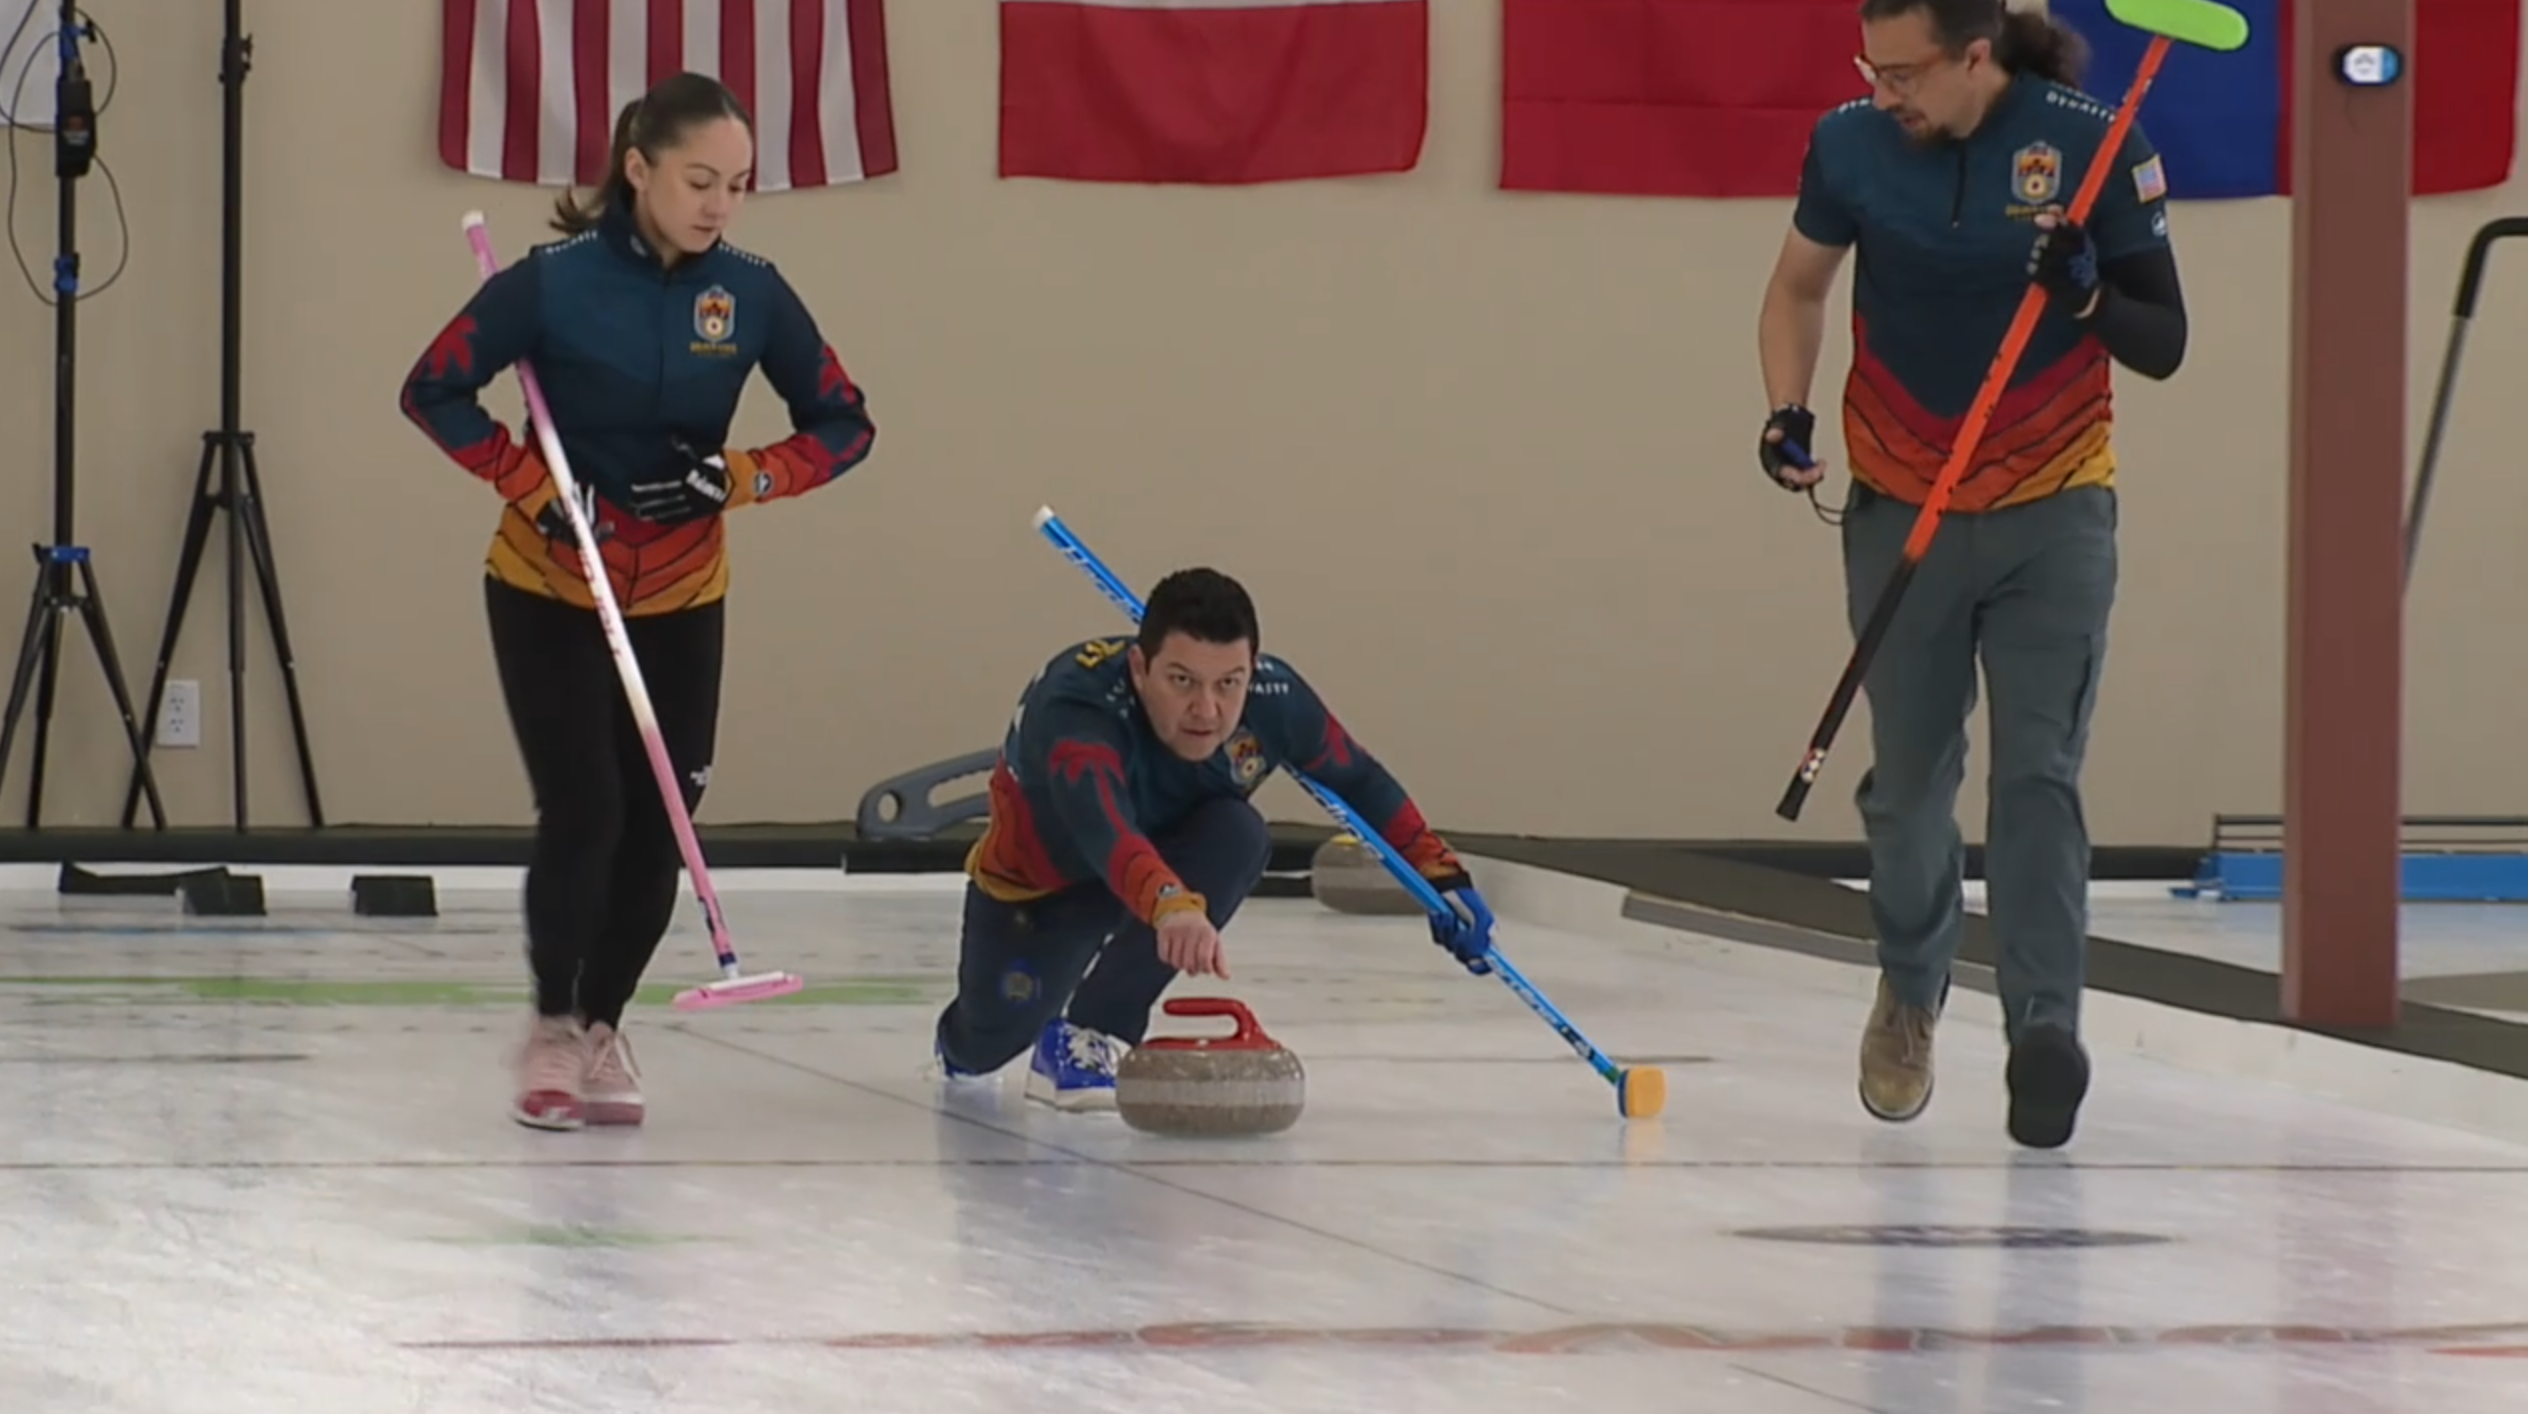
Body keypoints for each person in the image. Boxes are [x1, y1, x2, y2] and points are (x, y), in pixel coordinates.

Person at [398, 71, 877, 1132]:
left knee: (661, 819)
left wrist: (742, 476)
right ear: (637, 168)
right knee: (587, 810)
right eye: (700, 179)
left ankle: (605, 1023)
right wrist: (531, 485)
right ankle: (552, 1023)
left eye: (739, 184)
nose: (719, 203)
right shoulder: (548, 282)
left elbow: (844, 424)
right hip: (551, 581)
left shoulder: (751, 291)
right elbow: (430, 387)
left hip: (682, 584)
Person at [1752, 0, 2188, 1149]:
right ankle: (1909, 984)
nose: (1883, 92)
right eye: (1871, 67)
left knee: (2038, 775)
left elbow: (2164, 340)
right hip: (1904, 503)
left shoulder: (2096, 139)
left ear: (1975, 56)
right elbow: (1797, 289)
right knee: (1907, 785)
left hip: (2053, 504)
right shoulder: (1848, 144)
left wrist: (2086, 289)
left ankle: (2045, 1024)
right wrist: (1785, 413)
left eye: (1903, 72)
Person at [931, 567, 1498, 1109]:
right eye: (1182, 681)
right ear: (1138, 668)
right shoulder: (1077, 707)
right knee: (983, 1047)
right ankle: (964, 1041)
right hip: (1048, 883)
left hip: (1167, 872)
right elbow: (1104, 827)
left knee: (1239, 833)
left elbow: (1359, 779)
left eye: (1229, 683)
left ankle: (1092, 1035)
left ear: (1253, 669)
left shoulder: (1275, 699)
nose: (1207, 710)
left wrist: (1439, 873)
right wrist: (1171, 903)